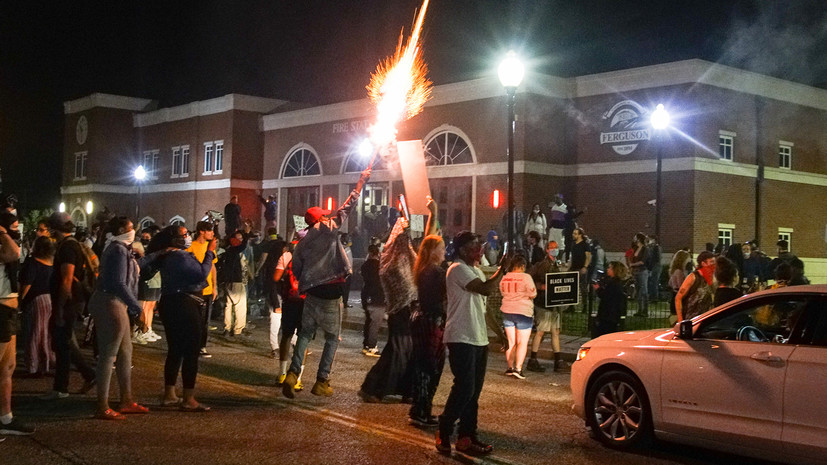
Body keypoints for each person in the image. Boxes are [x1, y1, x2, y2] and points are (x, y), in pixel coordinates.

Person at [282, 166, 370, 399]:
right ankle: (321, 380)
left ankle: (293, 373)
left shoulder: (300, 243)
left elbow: (297, 270)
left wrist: (309, 281)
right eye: (323, 214)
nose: (326, 216)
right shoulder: (327, 229)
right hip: (331, 290)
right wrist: (360, 183)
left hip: (311, 293)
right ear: (318, 219)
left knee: (305, 334)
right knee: (332, 338)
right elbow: (347, 208)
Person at [436, 231, 505, 456]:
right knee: (464, 388)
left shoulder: (474, 270)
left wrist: (500, 333)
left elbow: (483, 308)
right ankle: (444, 429)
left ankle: (467, 437)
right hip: (461, 336)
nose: (480, 250)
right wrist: (502, 269)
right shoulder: (457, 270)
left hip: (478, 338)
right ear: (463, 249)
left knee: (473, 392)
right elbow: (485, 289)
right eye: (475, 246)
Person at [142, 225, 216, 411]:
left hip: (170, 303)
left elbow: (144, 267)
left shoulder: (166, 256)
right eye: (184, 234)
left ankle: (169, 394)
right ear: (175, 239)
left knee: (175, 350)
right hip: (185, 304)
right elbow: (200, 272)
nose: (188, 237)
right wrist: (210, 253)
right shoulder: (179, 256)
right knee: (191, 351)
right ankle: (188, 398)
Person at [88, 216, 149, 420]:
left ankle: (126, 399)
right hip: (110, 302)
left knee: (125, 353)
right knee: (109, 355)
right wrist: (136, 309)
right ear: (123, 230)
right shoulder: (117, 249)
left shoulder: (121, 249)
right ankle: (102, 405)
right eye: (132, 227)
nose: (134, 231)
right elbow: (118, 283)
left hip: (115, 302)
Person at [44, 212, 96, 400]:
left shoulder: (67, 248)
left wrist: (59, 308)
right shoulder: (71, 244)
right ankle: (88, 374)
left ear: (54, 228)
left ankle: (61, 388)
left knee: (62, 343)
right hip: (74, 300)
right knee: (66, 341)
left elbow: (66, 279)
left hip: (69, 301)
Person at [0, 212, 35, 435]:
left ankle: (5, 418)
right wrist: (2, 233)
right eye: (11, 224)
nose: (16, 227)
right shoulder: (4, 243)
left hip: (9, 311)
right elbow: (13, 253)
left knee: (8, 367)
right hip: (0, 309)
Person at [409, 229, 446, 427]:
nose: (445, 252)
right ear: (433, 252)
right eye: (442, 248)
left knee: (424, 366)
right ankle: (422, 409)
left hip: (425, 320)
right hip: (433, 322)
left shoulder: (423, 269)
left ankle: (421, 408)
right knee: (431, 367)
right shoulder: (435, 272)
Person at [19, 236, 55, 376]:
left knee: (33, 333)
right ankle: (44, 363)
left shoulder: (33, 263)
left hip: (35, 300)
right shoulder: (51, 263)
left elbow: (27, 284)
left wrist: (20, 301)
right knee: (44, 333)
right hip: (48, 299)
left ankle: (33, 366)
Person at [527, 240, 563, 373]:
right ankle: (533, 359)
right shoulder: (543, 265)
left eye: (556, 247)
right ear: (547, 250)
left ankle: (558, 361)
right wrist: (541, 287)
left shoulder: (555, 264)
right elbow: (530, 278)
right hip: (544, 303)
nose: (555, 249)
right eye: (552, 248)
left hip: (553, 304)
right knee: (541, 331)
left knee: (555, 332)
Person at [274, 240, 306, 389]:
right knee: (303, 338)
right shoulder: (312, 255)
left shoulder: (286, 256)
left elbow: (276, 277)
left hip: (289, 301)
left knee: (286, 335)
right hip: (305, 302)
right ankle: (297, 377)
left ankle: (282, 373)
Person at [499, 255, 536, 379]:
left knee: (511, 341)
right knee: (522, 342)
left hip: (507, 310)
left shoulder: (504, 278)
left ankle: (509, 367)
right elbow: (533, 293)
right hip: (523, 312)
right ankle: (518, 369)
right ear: (522, 266)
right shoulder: (526, 277)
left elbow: (502, 292)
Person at [258, 230, 285, 358]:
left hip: (286, 297)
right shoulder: (273, 266)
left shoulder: (285, 262)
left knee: (291, 323)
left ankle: (295, 343)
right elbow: (272, 285)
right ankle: (275, 347)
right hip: (276, 298)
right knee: (275, 322)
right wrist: (276, 303)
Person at [220, 230, 251, 337]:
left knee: (228, 305)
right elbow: (243, 245)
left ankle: (227, 328)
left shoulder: (226, 252)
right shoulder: (235, 251)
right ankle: (238, 329)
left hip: (227, 281)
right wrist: (247, 234)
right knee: (240, 306)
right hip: (236, 281)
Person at [135, 227, 162, 345]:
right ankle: (140, 330)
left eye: (148, 237)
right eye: (144, 237)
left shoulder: (155, 249)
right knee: (143, 306)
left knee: (151, 305)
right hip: (145, 280)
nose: (145, 239)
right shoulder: (138, 247)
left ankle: (148, 328)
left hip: (155, 280)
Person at [675, 251, 716, 321]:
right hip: (690, 319)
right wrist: (680, 320)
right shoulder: (693, 277)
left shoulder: (711, 278)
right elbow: (678, 298)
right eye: (711, 262)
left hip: (704, 319)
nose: (714, 264)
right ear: (703, 263)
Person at [592, 261, 628, 338]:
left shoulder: (614, 284)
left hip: (608, 316)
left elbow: (606, 296)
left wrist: (598, 289)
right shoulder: (616, 283)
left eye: (609, 268)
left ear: (614, 270)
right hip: (612, 315)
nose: (607, 269)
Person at [359, 244, 384, 357]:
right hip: (377, 297)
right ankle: (372, 346)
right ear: (378, 253)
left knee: (368, 321)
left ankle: (366, 345)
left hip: (366, 296)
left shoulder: (365, 265)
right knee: (375, 323)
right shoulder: (380, 266)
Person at [567, 228, 591, 313]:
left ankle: (585, 307)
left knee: (583, 288)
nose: (573, 235)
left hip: (581, 268)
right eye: (573, 233)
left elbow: (588, 257)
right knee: (572, 288)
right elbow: (572, 257)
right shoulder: (573, 244)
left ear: (580, 235)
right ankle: (571, 306)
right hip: (574, 268)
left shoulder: (585, 244)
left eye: (575, 233)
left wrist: (585, 267)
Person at [628, 233, 649, 317]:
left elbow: (643, 261)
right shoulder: (635, 248)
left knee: (643, 291)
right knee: (638, 290)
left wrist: (632, 264)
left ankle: (645, 310)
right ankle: (639, 310)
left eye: (636, 238)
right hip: (635, 271)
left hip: (642, 271)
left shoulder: (645, 249)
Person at [667, 250, 691, 321]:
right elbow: (681, 286)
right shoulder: (679, 272)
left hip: (674, 296)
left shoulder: (675, 271)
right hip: (679, 297)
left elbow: (670, 283)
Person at [645, 235, 662, 302]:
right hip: (654, 266)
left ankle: (654, 298)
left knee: (654, 282)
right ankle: (652, 297)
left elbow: (656, 258)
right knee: (652, 282)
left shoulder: (656, 247)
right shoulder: (653, 247)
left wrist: (650, 266)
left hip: (655, 267)